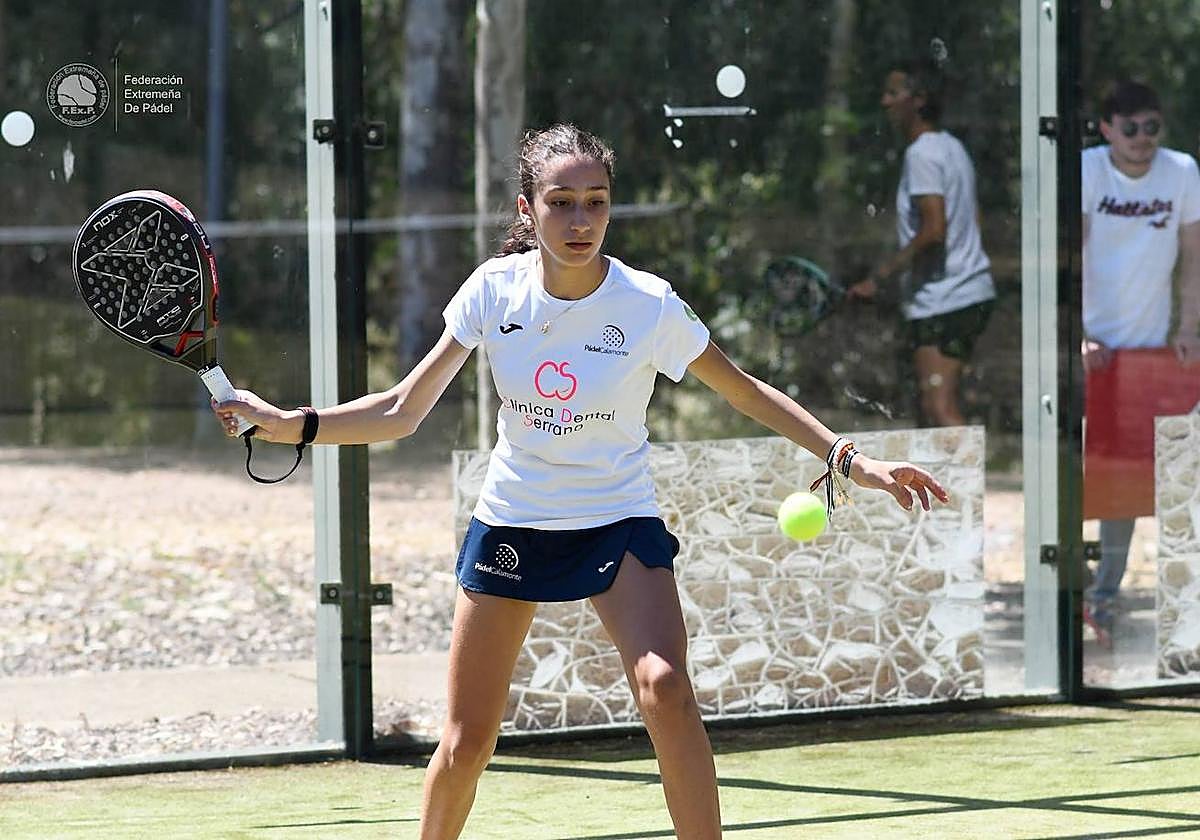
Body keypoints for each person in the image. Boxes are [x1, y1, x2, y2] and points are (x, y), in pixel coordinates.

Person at [212, 123, 950, 840]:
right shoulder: (492, 294)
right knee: (468, 743)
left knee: (665, 687)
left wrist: (852, 461)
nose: (580, 219)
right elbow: (403, 410)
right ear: (527, 211)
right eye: (561, 202)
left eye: (596, 201)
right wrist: (287, 423)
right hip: (512, 523)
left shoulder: (648, 303)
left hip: (618, 520)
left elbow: (746, 390)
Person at [1081, 80, 1200, 638]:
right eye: (1130, 128)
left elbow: (1194, 257)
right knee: (1102, 483)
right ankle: (1088, 601)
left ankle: (1142, 606)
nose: (1142, 139)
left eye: (1152, 126)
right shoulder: (1085, 170)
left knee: (1156, 482)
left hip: (1154, 355)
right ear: (1107, 129)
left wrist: (1189, 328)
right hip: (1096, 357)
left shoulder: (1181, 171)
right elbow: (1069, 254)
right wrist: (1075, 335)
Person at [848, 59, 996, 428]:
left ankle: (967, 486)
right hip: (969, 293)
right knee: (931, 407)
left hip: (946, 300)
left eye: (893, 93)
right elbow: (973, 219)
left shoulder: (922, 154)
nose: (884, 102)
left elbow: (934, 230)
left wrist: (878, 278)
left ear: (918, 100)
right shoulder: (953, 148)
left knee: (938, 407)